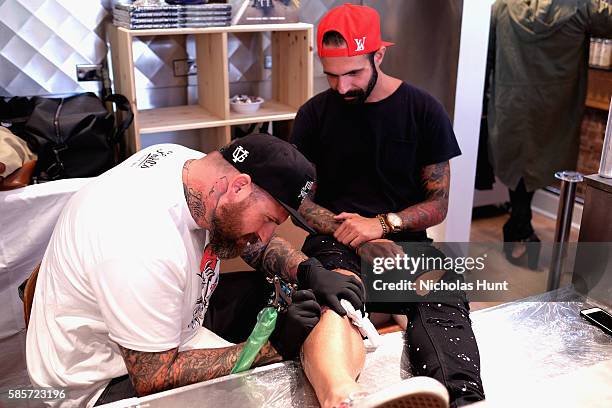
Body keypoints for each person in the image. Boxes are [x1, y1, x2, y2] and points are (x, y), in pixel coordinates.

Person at [26, 134, 351, 407]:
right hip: (97, 383)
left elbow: (250, 240)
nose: (266, 236)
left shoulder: (200, 171)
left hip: (165, 338)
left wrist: (307, 270)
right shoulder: (138, 240)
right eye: (268, 220)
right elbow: (153, 378)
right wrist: (269, 347)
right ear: (238, 187)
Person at [290, 4, 486, 407]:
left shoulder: (423, 110)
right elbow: (299, 201)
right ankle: (344, 399)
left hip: (404, 243)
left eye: (353, 73)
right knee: (336, 302)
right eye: (331, 74)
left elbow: (438, 202)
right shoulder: (312, 115)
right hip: (333, 243)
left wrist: (381, 225)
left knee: (441, 297)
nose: (341, 87)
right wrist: (353, 233)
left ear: (379, 55)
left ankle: (460, 398)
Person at [487, 0, 612, 266]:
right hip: (553, 105)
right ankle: (521, 228)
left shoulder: (503, 5)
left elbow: (489, 55)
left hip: (511, 101)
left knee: (519, 165)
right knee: (534, 164)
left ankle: (519, 228)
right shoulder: (580, 6)